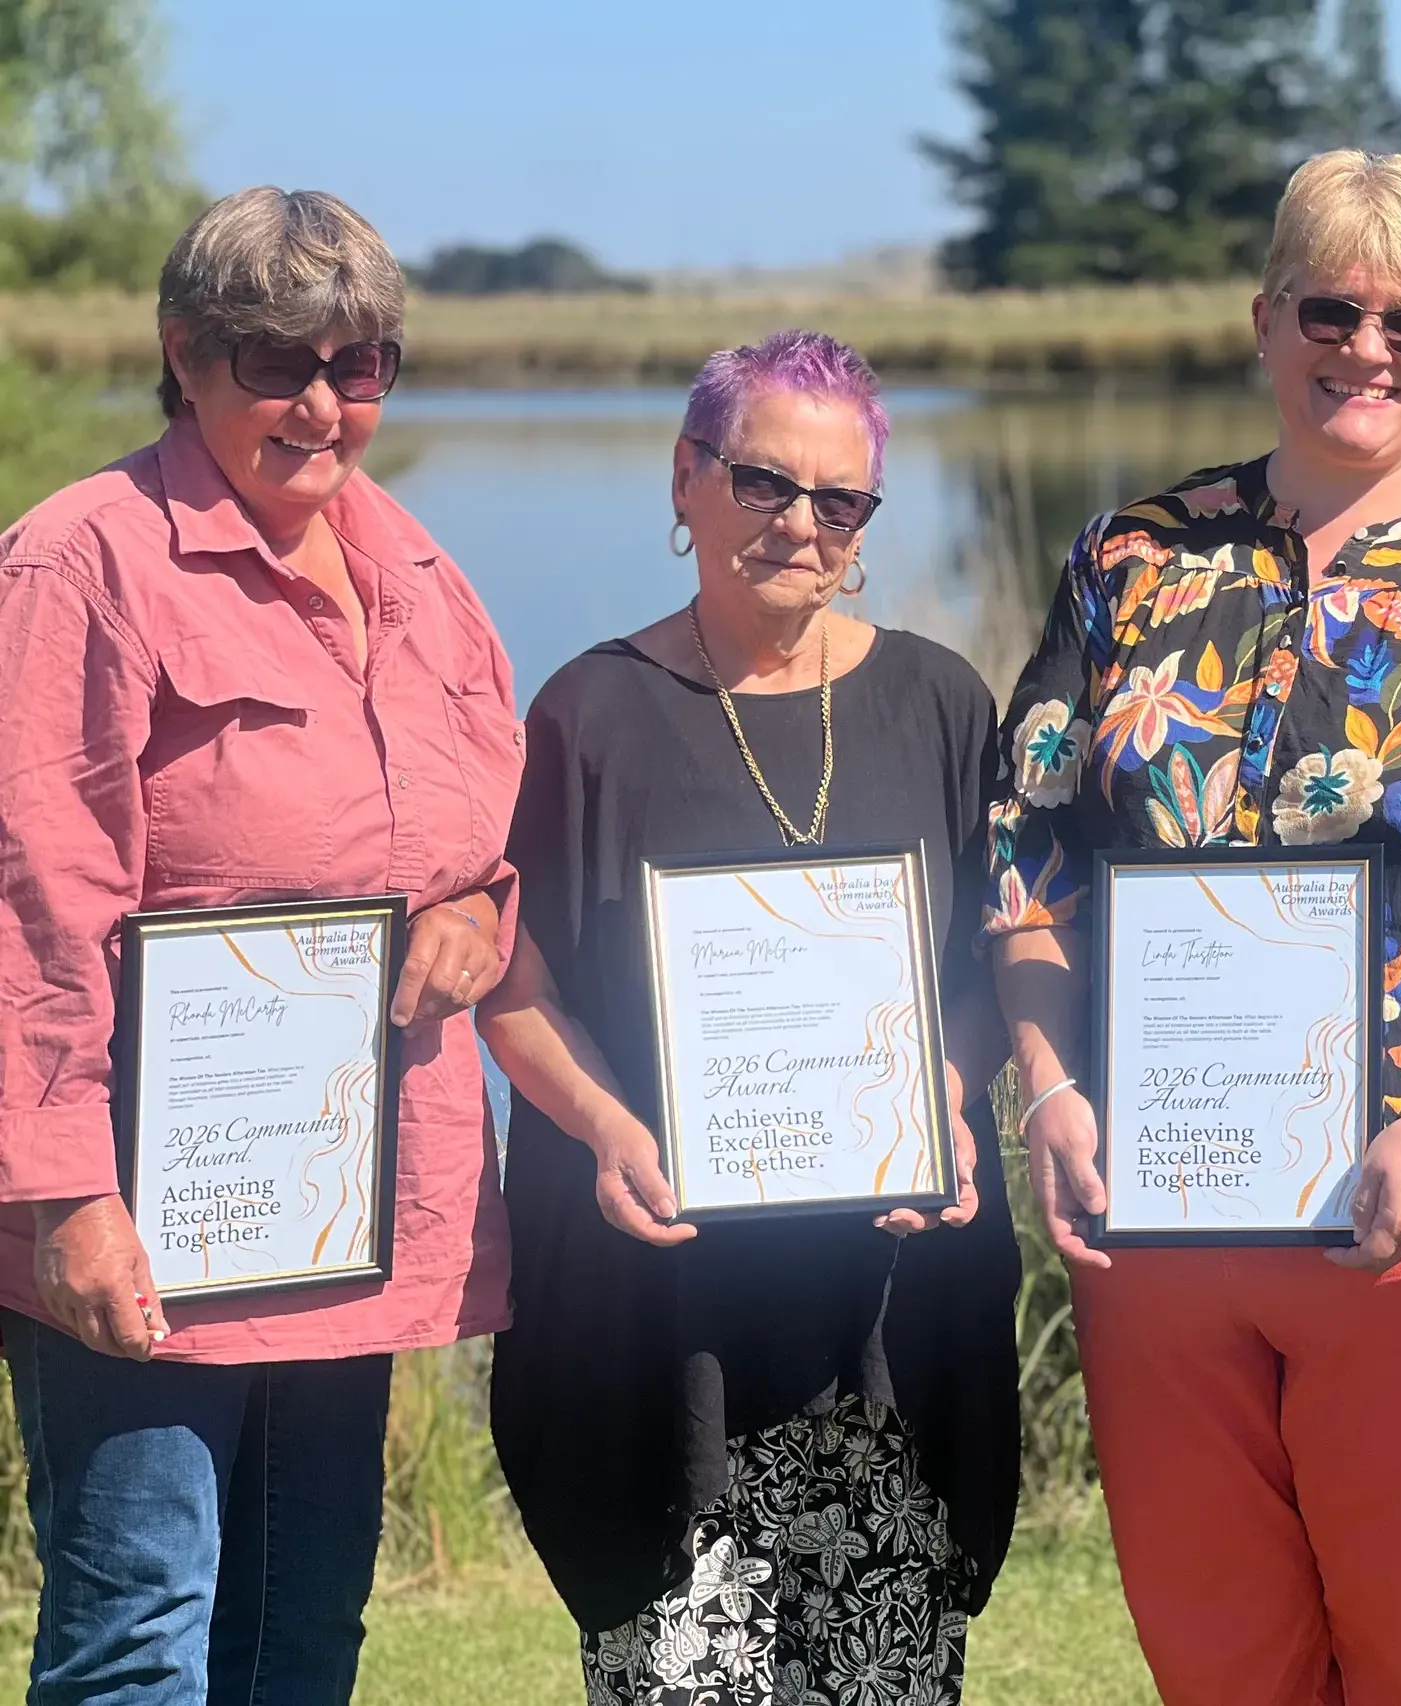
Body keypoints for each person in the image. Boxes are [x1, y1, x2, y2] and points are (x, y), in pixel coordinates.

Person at [985, 148, 1401, 1706]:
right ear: (1265, 317)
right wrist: (1052, 1083)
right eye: (1332, 307)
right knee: (1217, 1658)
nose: (1367, 348)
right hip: (1163, 1208)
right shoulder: (1132, 558)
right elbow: (1028, 854)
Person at [0, 187, 521, 1703]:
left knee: (301, 1632)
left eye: (357, 366)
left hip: (343, 1212)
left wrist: (474, 917)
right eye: (272, 360)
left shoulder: (418, 573)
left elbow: (491, 843)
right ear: (184, 355)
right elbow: (35, 897)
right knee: (140, 1638)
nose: (318, 403)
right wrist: (67, 1196)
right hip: (146, 1218)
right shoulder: (77, 564)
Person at [478, 330, 1021, 1706]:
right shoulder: (589, 715)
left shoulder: (943, 705)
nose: (799, 523)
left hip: (887, 1331)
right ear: (687, 479)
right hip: (669, 1331)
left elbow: (989, 968)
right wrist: (605, 1128)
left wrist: (949, 1099)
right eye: (764, 481)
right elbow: (513, 978)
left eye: (839, 501)